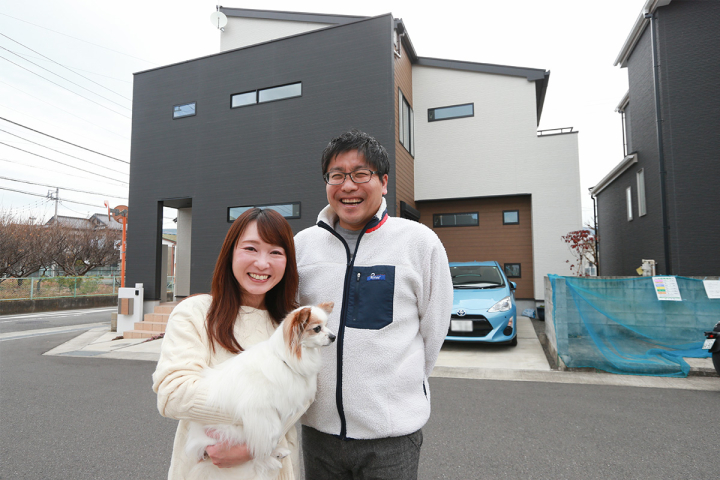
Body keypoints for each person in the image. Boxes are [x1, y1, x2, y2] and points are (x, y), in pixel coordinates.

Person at [294, 130, 454, 479]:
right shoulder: (302, 247)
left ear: (383, 182)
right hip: (317, 432)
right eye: (337, 175)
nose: (347, 186)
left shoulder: (418, 243)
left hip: (391, 437)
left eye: (360, 174)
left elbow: (434, 330)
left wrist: (399, 389)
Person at [152, 208, 300, 480]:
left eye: (276, 252)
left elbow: (303, 397)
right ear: (230, 253)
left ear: (288, 262)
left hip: (273, 469)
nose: (262, 263)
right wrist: (268, 413)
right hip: (206, 469)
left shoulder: (291, 324)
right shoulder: (196, 313)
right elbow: (174, 394)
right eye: (251, 248)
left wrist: (253, 447)